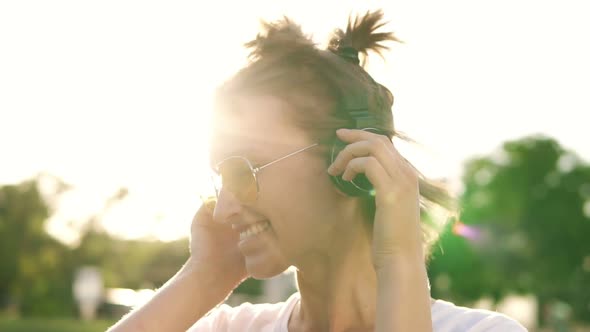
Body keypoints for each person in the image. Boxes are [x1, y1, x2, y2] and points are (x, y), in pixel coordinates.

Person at [108, 10, 527, 332]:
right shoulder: (235, 327)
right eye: (219, 178)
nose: (223, 210)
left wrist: (400, 262)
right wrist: (204, 277)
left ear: (347, 162)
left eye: (241, 169)